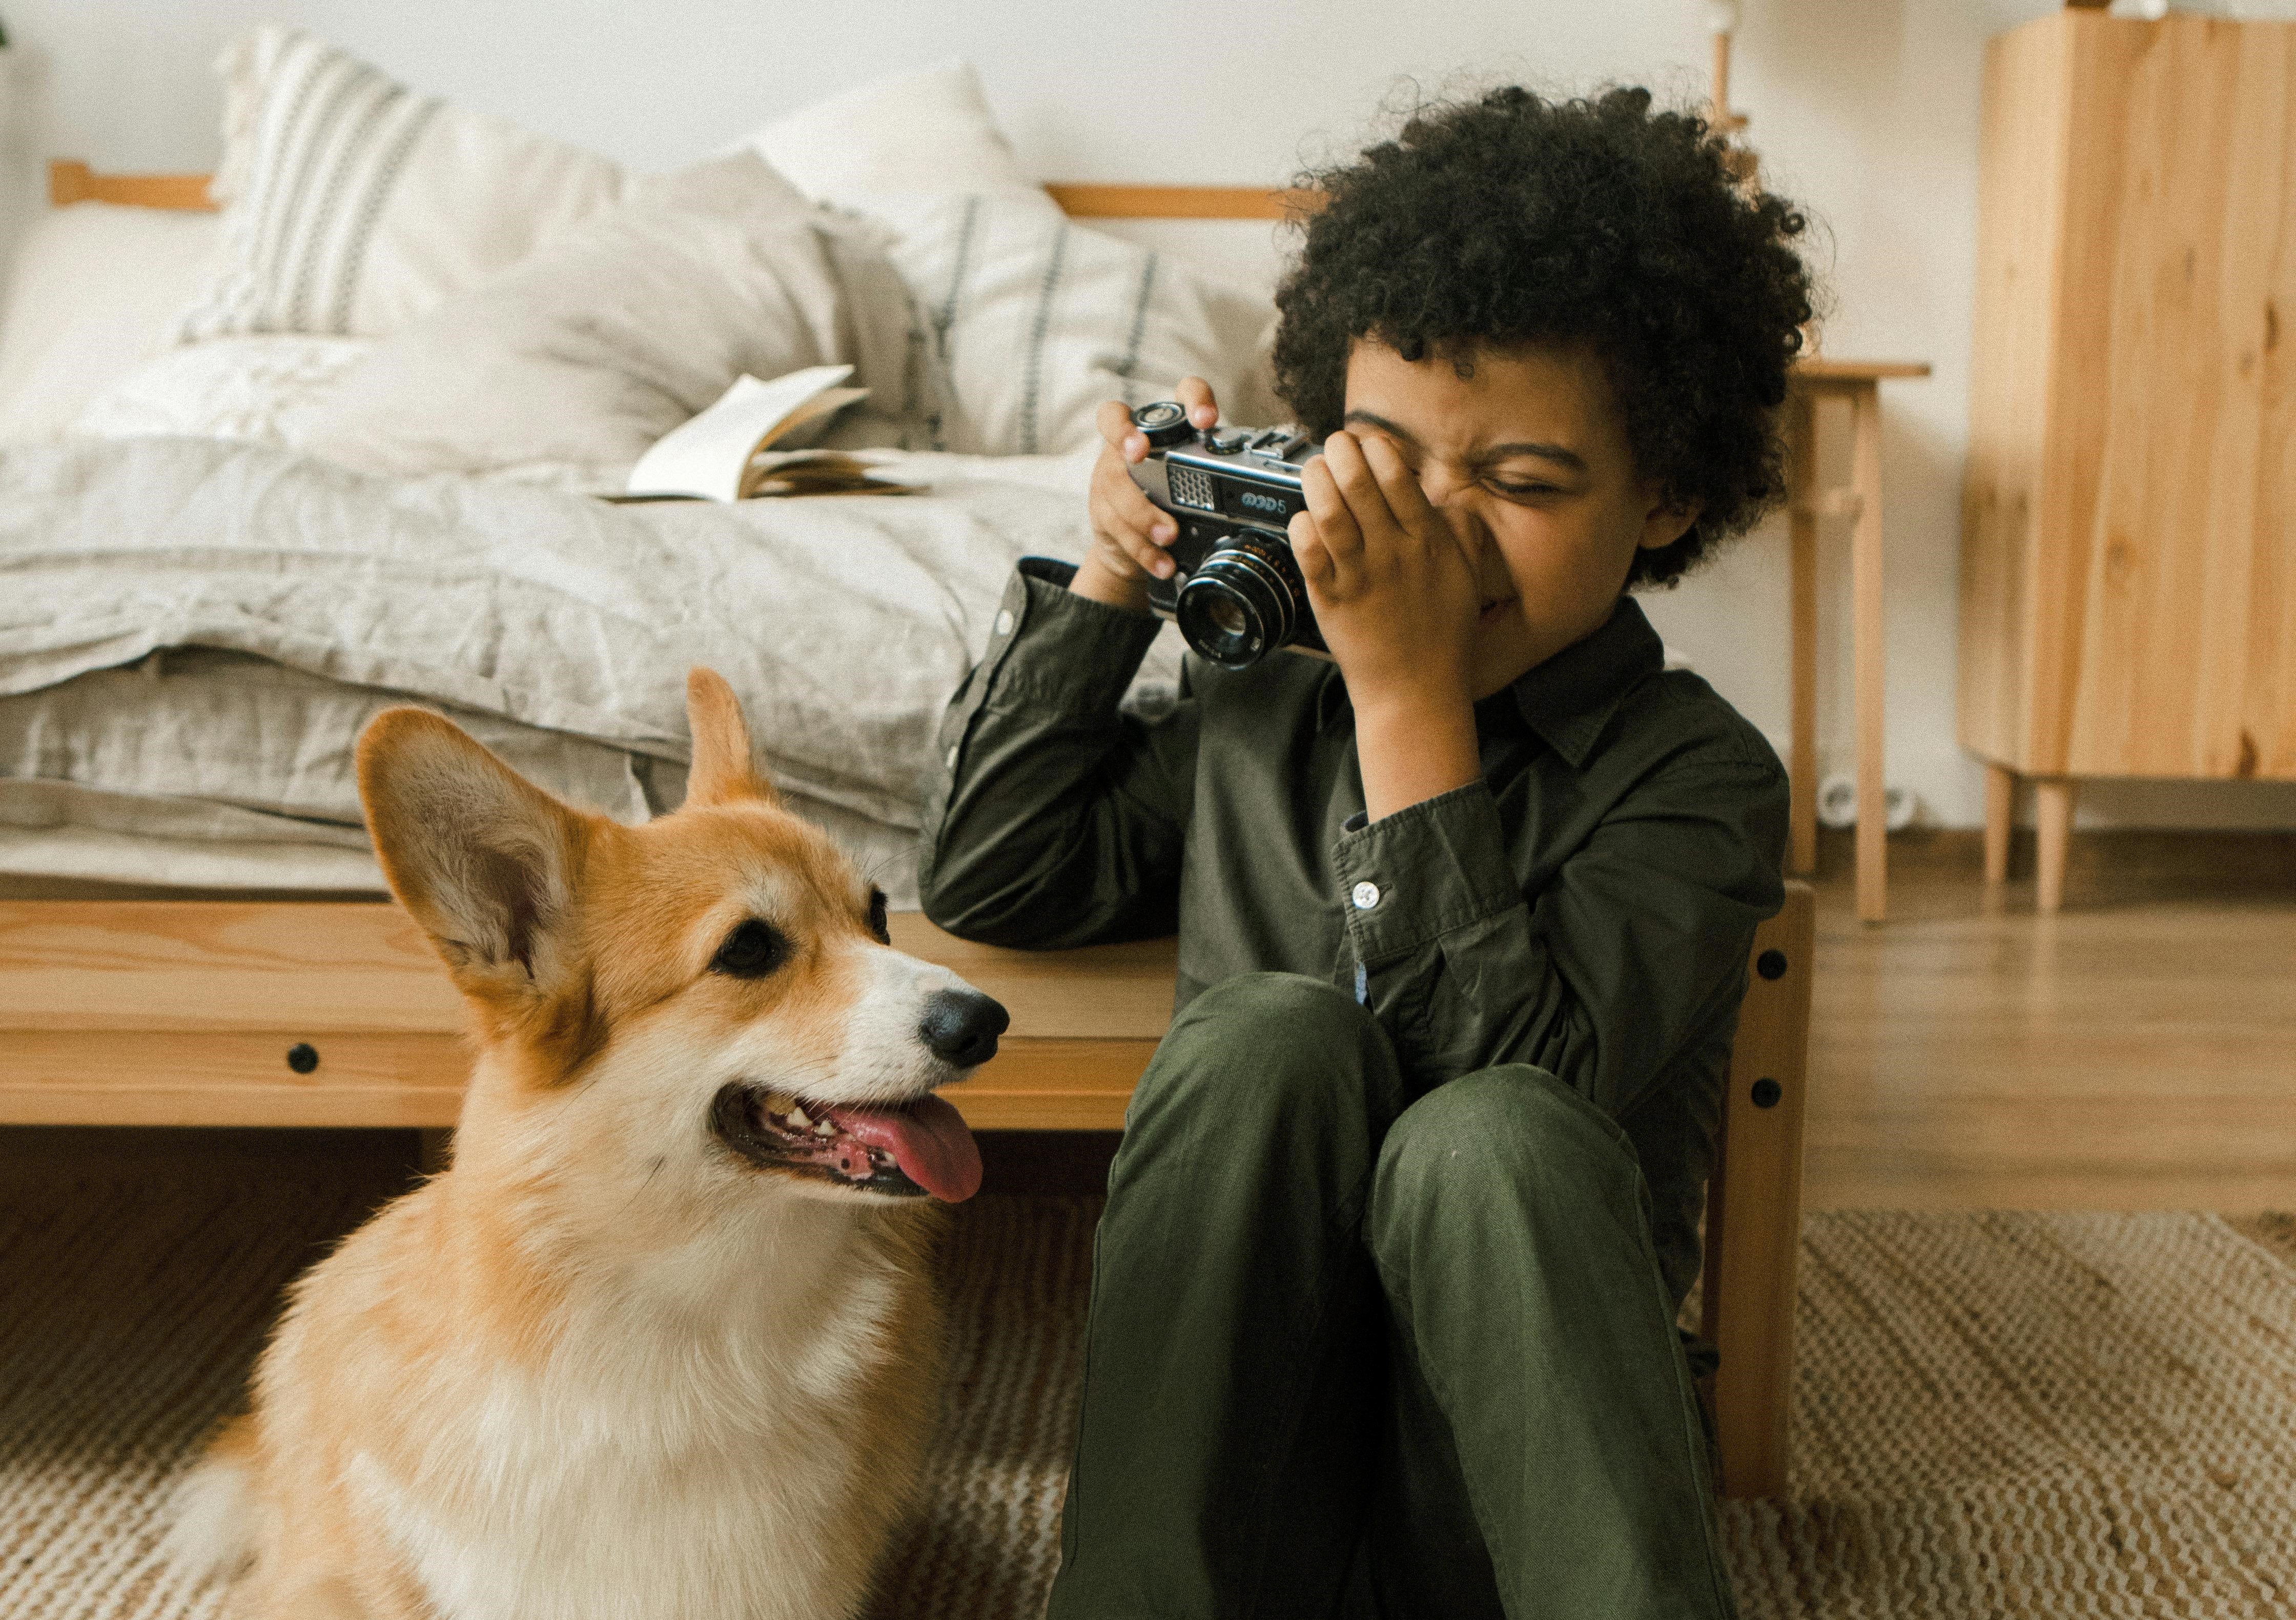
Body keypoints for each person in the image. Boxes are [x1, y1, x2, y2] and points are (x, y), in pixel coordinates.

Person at [917, 83, 1813, 1620]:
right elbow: (1000, 875)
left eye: (1521, 486)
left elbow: (1510, 1085)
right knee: (1268, 1032)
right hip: (1238, 1469)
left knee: (1496, 1137)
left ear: (1666, 496)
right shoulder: (1265, 696)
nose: (1438, 531)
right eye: (1384, 463)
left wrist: (1405, 704)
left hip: (1510, 1497)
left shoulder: (1700, 782)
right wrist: (1114, 584)